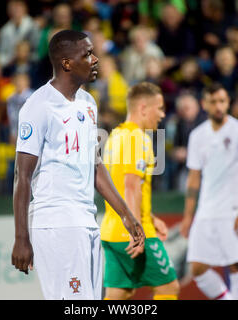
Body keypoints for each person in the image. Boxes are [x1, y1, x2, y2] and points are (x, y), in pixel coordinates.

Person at [11, 30, 145, 300]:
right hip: (57, 222)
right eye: (87, 54)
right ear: (66, 63)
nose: (95, 59)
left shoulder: (87, 102)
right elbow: (21, 177)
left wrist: (125, 214)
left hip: (86, 220)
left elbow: (95, 165)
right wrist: (21, 237)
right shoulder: (38, 107)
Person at [101, 82, 180, 300]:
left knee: (120, 293)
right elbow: (131, 185)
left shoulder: (114, 137)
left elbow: (119, 185)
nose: (163, 114)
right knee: (169, 288)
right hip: (134, 231)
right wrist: (137, 229)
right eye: (160, 108)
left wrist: (151, 217)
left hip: (110, 230)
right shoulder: (138, 139)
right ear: (143, 108)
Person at [180, 83, 238, 300]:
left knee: (237, 265)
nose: (218, 106)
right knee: (197, 267)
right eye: (213, 102)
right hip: (206, 211)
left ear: (228, 103)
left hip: (233, 210)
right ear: (204, 104)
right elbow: (194, 178)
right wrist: (188, 216)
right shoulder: (197, 135)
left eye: (222, 101)